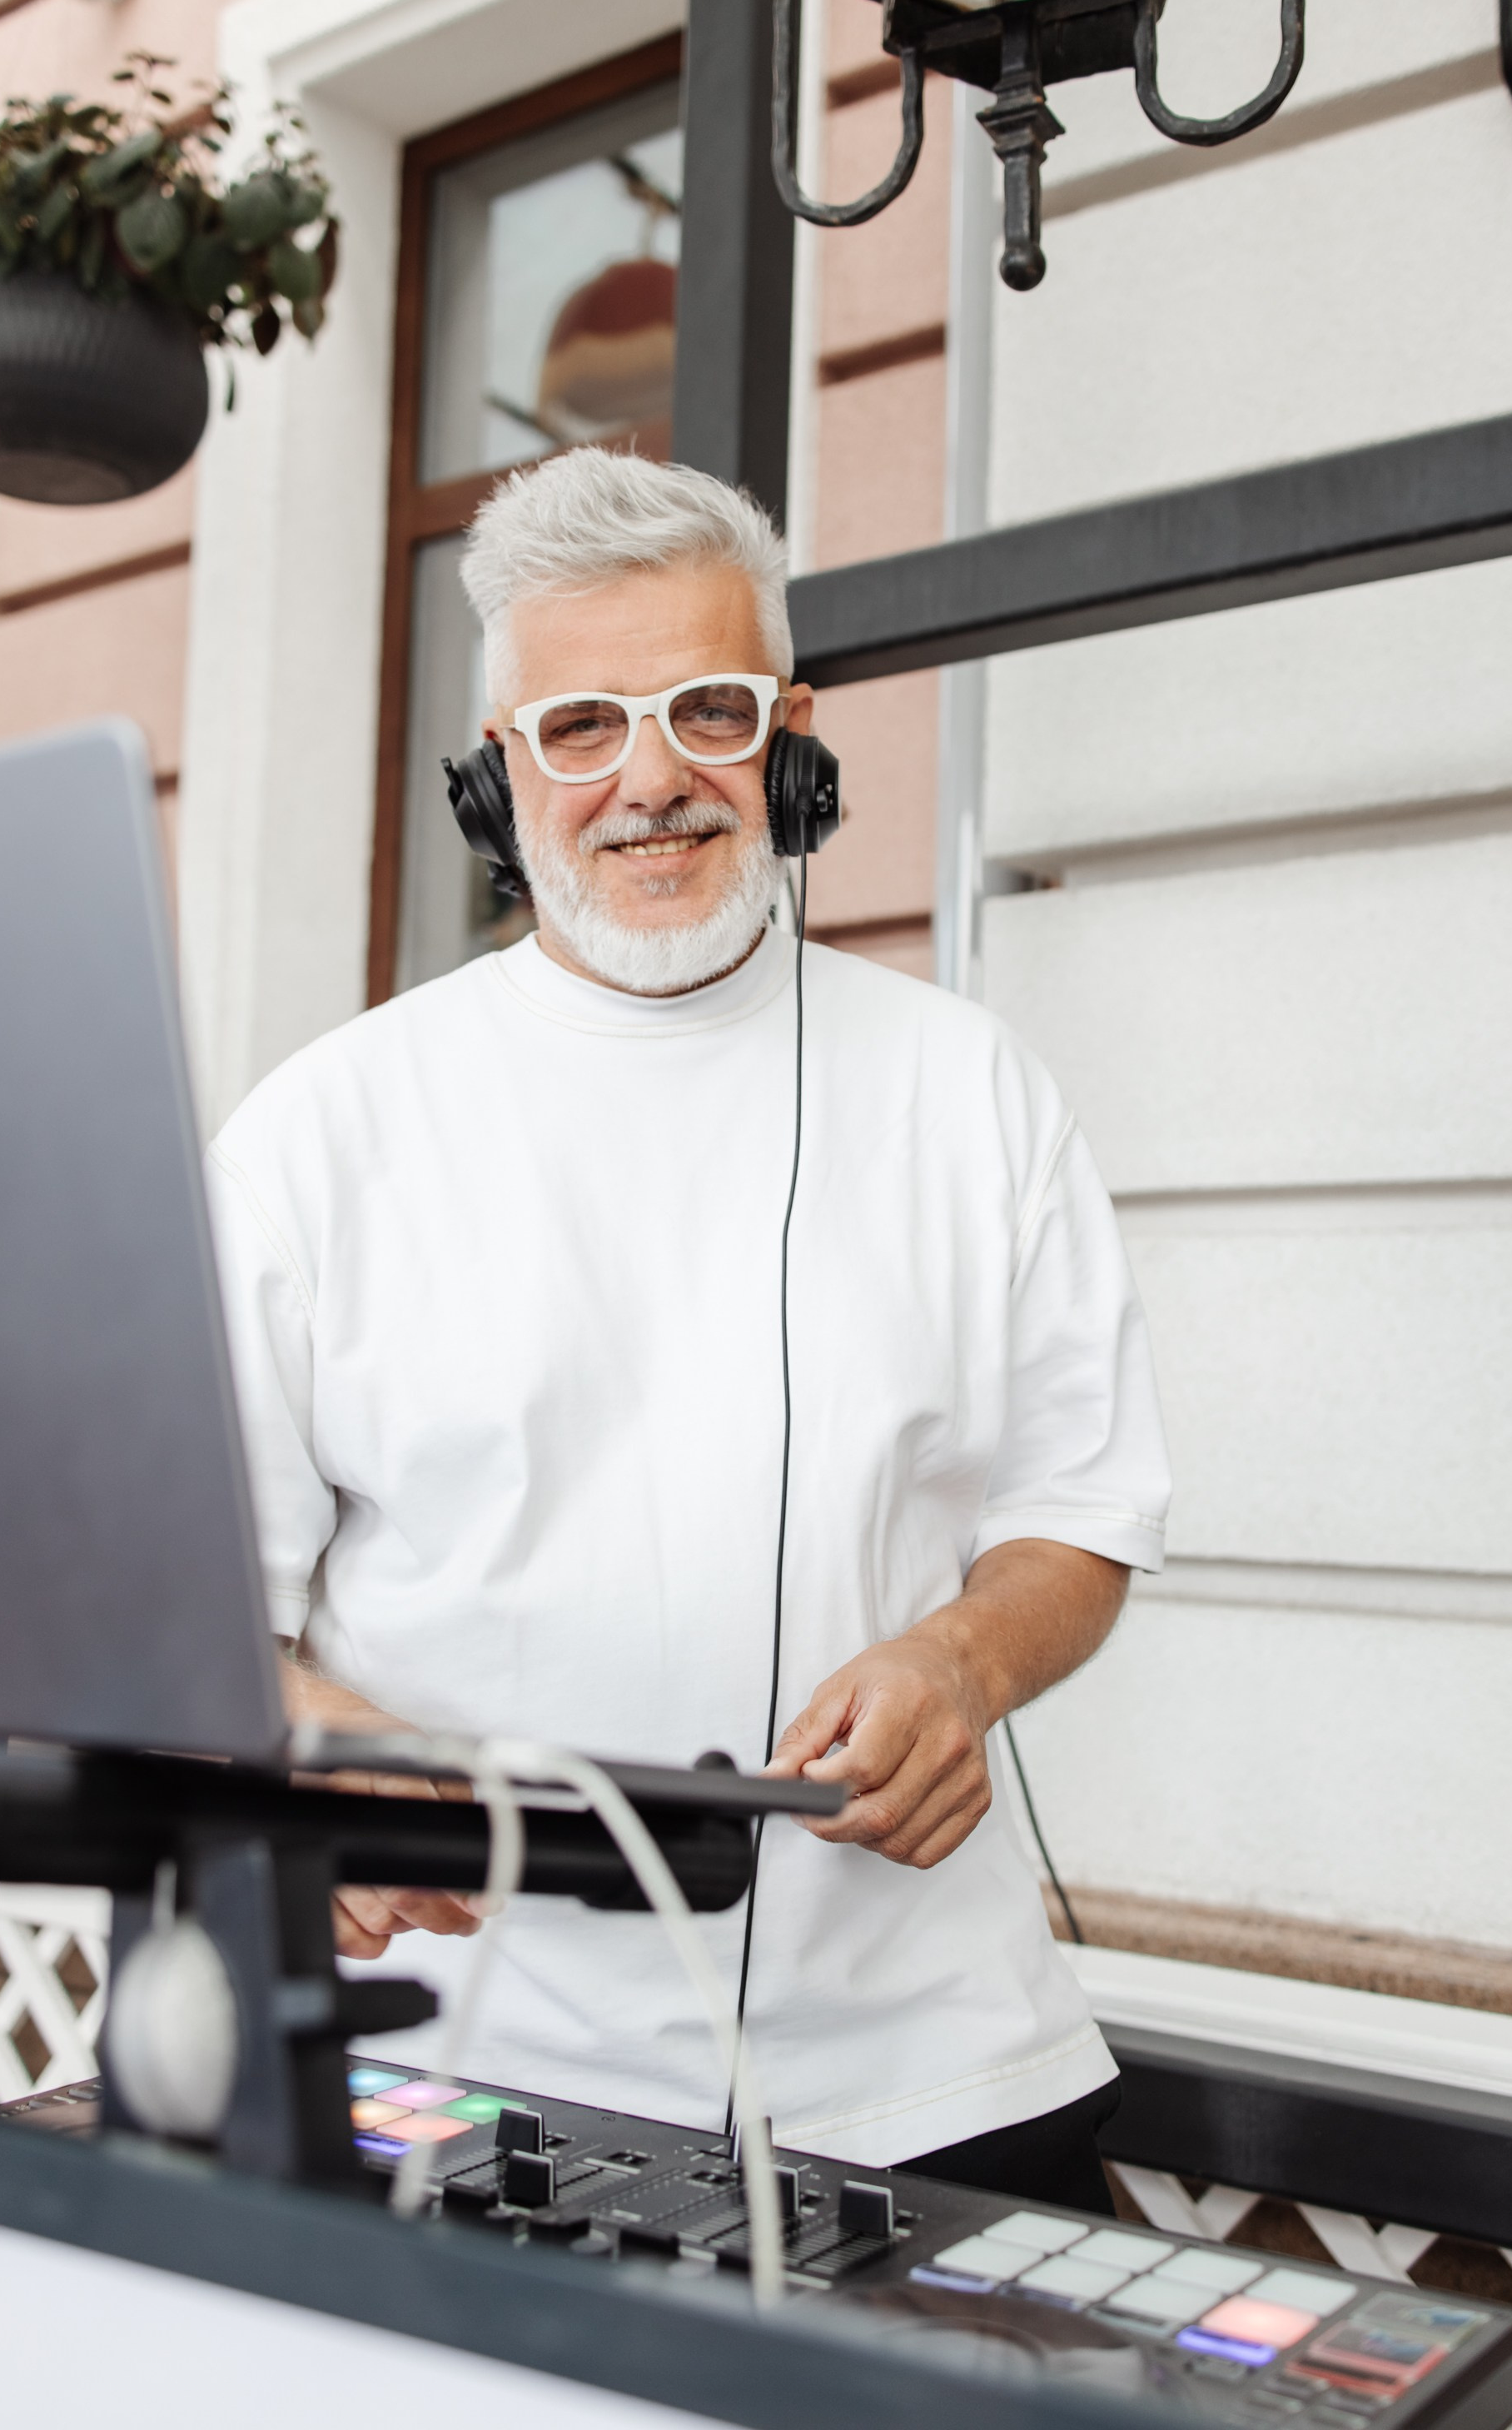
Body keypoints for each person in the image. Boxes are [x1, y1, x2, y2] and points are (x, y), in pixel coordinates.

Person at [206, 448, 1171, 2212]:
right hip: (457, 2068)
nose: (648, 780)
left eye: (704, 712)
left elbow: (1081, 1511)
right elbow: (189, 1618)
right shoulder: (316, 1134)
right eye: (580, 726)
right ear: (499, 777)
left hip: (931, 2073)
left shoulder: (973, 1091)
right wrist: (310, 1745)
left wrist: (964, 1665)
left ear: (788, 746)